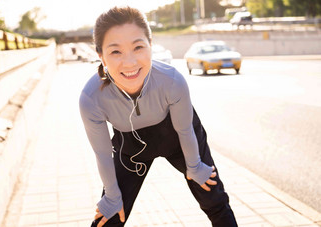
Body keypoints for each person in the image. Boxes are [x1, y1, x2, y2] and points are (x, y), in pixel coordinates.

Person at [79, 6, 238, 227]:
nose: (130, 62)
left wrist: (194, 166)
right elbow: (103, 155)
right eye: (116, 51)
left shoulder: (172, 80)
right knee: (110, 215)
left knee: (214, 198)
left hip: (179, 137)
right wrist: (113, 197)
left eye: (138, 47)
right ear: (101, 56)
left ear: (151, 45)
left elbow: (185, 130)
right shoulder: (91, 98)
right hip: (131, 148)